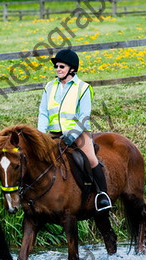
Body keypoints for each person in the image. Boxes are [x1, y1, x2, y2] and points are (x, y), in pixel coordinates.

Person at [37, 49, 112, 212]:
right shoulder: (49, 87)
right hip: (52, 132)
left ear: (71, 69)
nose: (57, 69)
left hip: (78, 132)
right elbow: (43, 112)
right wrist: (40, 135)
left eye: (61, 66)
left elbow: (84, 116)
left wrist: (70, 136)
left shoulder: (83, 88)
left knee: (91, 159)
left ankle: (102, 195)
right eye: (56, 66)